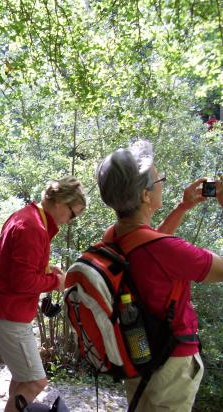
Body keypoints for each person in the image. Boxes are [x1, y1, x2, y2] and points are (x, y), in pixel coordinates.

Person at [96, 140, 223, 411]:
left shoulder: (113, 235)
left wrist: (182, 207)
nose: (163, 182)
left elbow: (148, 245)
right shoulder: (169, 251)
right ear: (145, 195)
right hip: (171, 365)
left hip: (139, 355)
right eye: (159, 178)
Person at [0, 176, 86, 412]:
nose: (70, 221)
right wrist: (56, 281)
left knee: (22, 380)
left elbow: (17, 267)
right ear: (59, 202)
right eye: (72, 213)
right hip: (9, 313)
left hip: (4, 308)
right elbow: (22, 281)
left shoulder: (28, 216)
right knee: (35, 381)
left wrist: (46, 271)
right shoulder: (33, 227)